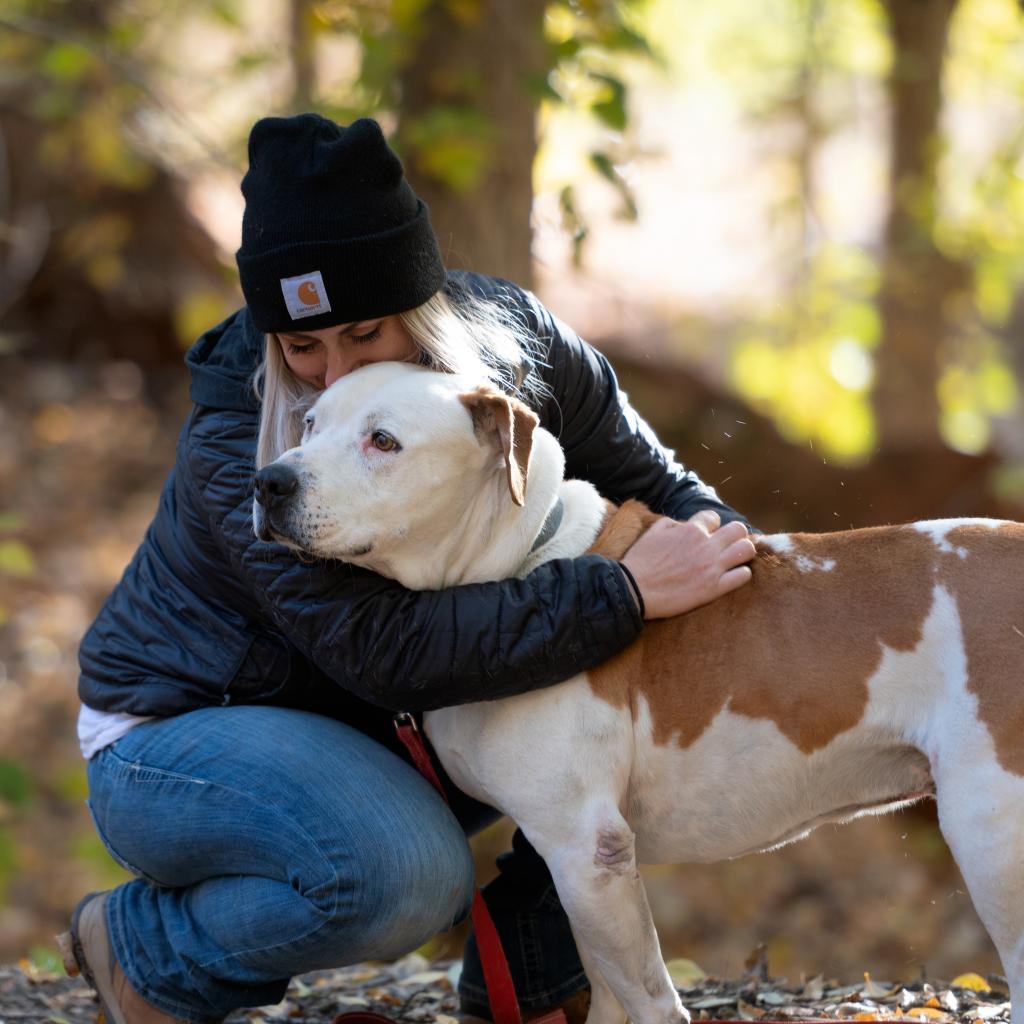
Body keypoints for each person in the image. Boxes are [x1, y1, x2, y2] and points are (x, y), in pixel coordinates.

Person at [62, 113, 757, 1024]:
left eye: (363, 334)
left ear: (421, 307)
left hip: (392, 727)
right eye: (301, 348)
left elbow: (667, 492)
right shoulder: (245, 437)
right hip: (183, 733)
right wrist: (620, 591)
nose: (329, 373)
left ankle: (531, 963)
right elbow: (381, 648)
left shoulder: (517, 349)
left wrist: (715, 562)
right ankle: (148, 952)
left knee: (611, 738)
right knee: (402, 875)